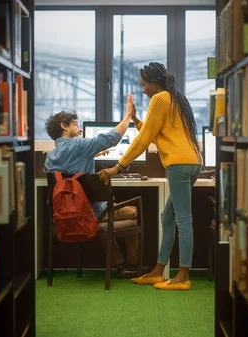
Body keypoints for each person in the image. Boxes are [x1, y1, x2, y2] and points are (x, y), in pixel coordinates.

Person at [98, 62, 202, 291]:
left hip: (179, 164)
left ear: (154, 83)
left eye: (144, 85)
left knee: (183, 221)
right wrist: (135, 119)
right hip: (192, 162)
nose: (143, 90)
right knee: (168, 218)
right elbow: (156, 133)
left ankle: (183, 276)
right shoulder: (174, 99)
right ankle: (157, 272)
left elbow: (144, 139)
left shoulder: (159, 99)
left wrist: (119, 166)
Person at [44, 109, 140, 276]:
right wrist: (128, 116)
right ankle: (133, 265)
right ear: (63, 126)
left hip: (64, 214)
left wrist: (92, 154)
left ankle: (120, 264)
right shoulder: (79, 145)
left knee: (104, 211)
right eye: (75, 125)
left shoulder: (50, 157)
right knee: (133, 211)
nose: (79, 129)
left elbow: (69, 168)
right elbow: (111, 138)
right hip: (90, 213)